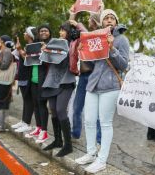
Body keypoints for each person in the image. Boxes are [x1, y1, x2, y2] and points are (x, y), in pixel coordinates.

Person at [75, 9, 130, 173]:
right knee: (89, 120)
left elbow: (123, 65)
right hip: (92, 85)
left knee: (105, 123)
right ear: (101, 22)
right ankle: (91, 153)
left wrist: (112, 48)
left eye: (113, 18)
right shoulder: (95, 37)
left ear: (117, 22)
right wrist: (82, 51)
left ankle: (102, 160)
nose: (109, 20)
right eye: (106, 18)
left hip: (111, 86)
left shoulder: (122, 40)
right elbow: (93, 65)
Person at [41, 21, 83, 157]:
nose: (60, 33)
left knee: (60, 110)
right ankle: (58, 140)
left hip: (67, 80)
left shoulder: (75, 43)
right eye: (60, 30)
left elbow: (84, 35)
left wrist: (76, 23)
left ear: (69, 32)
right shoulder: (55, 43)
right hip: (53, 80)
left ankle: (68, 145)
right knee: (53, 110)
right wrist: (45, 51)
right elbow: (47, 60)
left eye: (63, 30)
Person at [71, 12, 102, 144]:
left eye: (90, 19)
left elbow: (87, 35)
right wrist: (72, 15)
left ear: (94, 21)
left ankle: (99, 140)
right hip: (84, 75)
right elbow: (71, 26)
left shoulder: (100, 35)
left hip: (95, 76)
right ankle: (75, 133)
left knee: (96, 111)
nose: (88, 21)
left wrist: (78, 23)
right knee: (77, 106)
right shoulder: (86, 36)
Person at [24, 24, 51, 143]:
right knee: (35, 104)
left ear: (49, 33)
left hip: (43, 80)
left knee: (42, 104)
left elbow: (50, 63)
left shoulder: (51, 44)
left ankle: (44, 131)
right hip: (33, 79)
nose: (43, 32)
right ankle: (38, 127)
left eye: (46, 30)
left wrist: (46, 51)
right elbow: (29, 61)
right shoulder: (34, 45)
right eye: (41, 31)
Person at [11, 27, 37, 133]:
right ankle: (23, 121)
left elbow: (28, 59)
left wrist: (19, 49)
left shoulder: (33, 47)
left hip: (27, 76)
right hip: (23, 76)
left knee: (28, 100)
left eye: (26, 32)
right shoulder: (28, 46)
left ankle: (27, 123)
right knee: (25, 100)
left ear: (30, 35)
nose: (24, 34)